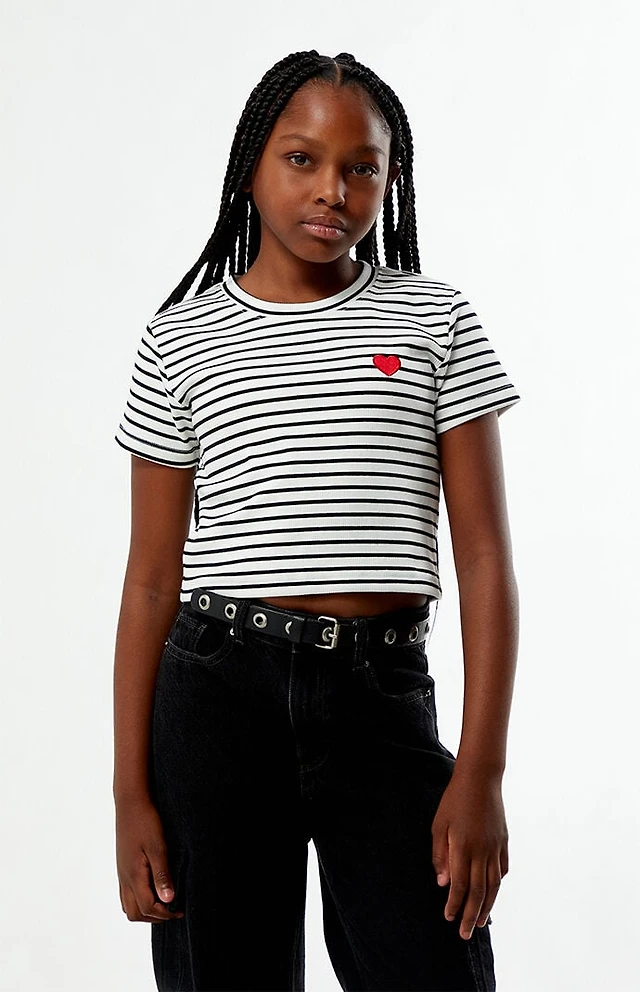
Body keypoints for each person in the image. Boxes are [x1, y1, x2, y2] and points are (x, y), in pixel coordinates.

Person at [112, 49, 520, 992]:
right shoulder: (179, 341)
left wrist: (482, 772)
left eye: (362, 167)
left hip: (381, 696)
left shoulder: (434, 321)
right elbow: (150, 579)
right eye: (301, 159)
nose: (333, 190)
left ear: (390, 178)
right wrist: (130, 790)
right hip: (216, 696)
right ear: (250, 163)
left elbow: (485, 558)